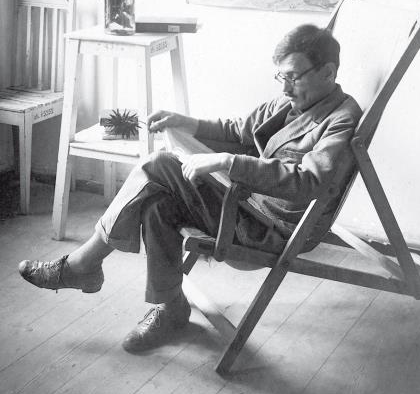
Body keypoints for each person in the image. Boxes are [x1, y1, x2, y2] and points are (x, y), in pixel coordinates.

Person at [18, 24, 362, 353]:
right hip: (248, 206)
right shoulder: (291, 102)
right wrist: (184, 122)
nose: (285, 88)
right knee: (158, 203)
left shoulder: (341, 119)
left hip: (272, 228)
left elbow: (310, 182)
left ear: (328, 72)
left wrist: (228, 162)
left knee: (159, 164)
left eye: (293, 77)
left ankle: (83, 265)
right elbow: (238, 130)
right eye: (281, 77)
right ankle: (171, 309)